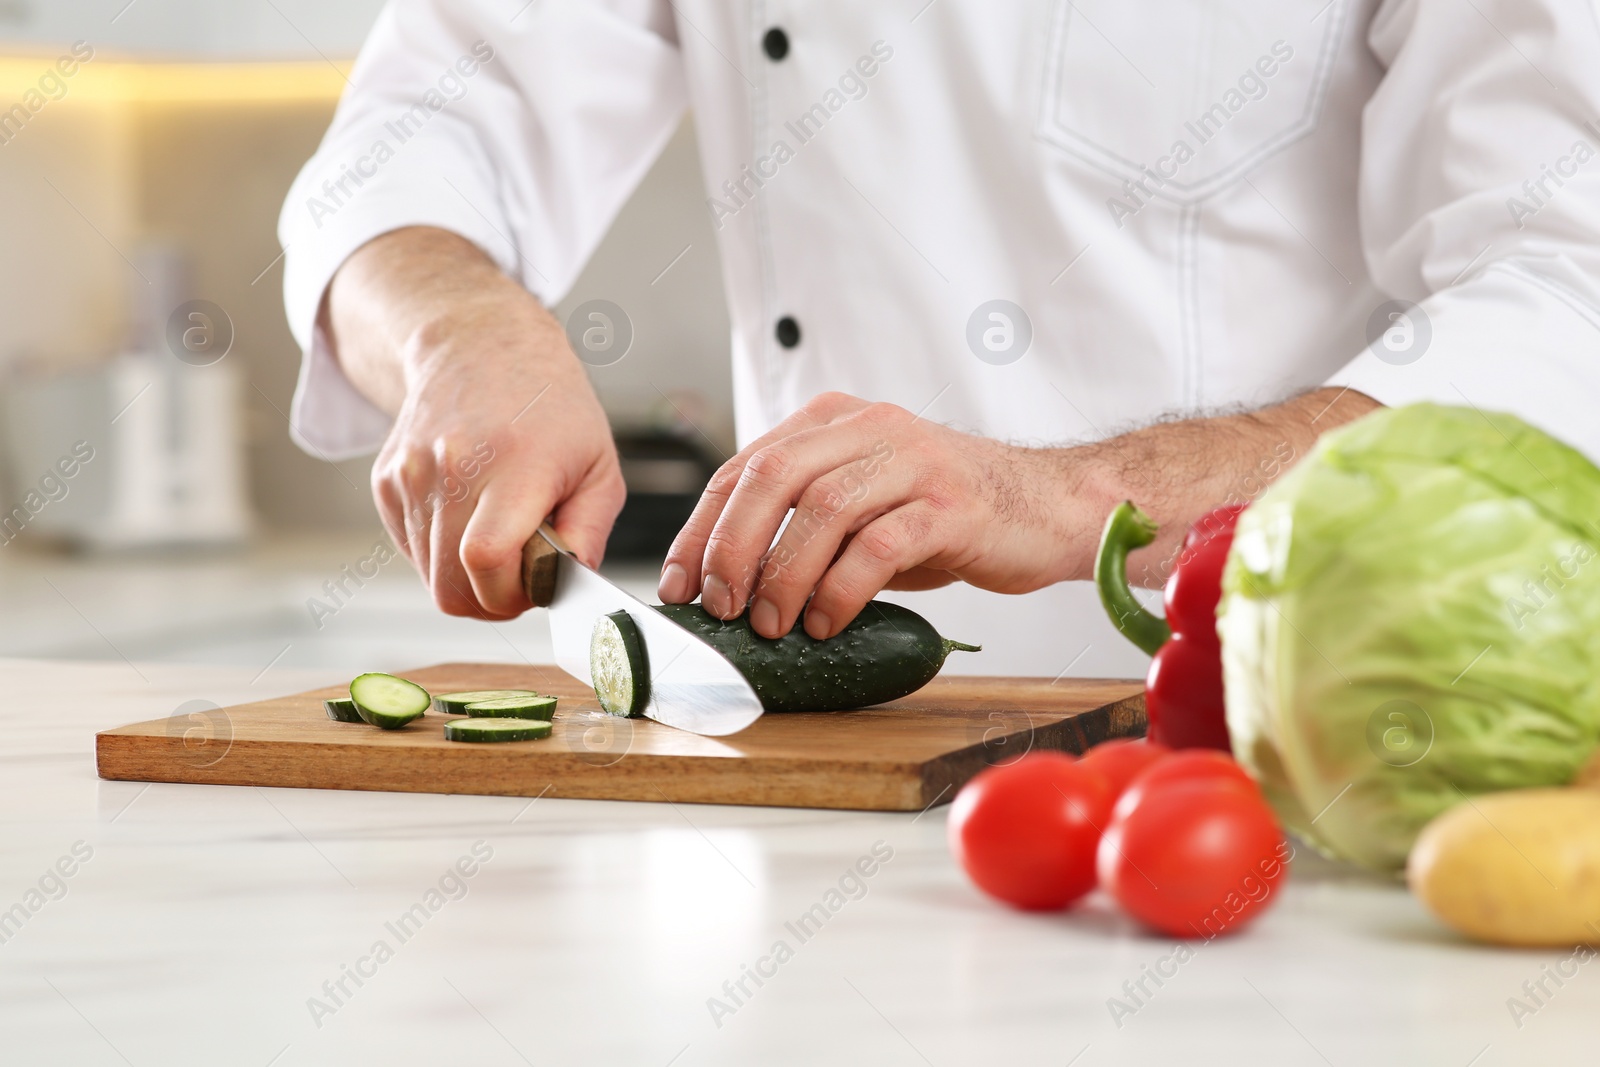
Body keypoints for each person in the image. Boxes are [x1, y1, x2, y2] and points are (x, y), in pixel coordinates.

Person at [279, 0, 1600, 677]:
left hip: (1305, 753)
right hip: (828, 789)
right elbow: (415, 142)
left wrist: (1080, 498)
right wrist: (458, 332)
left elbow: (1565, 283)